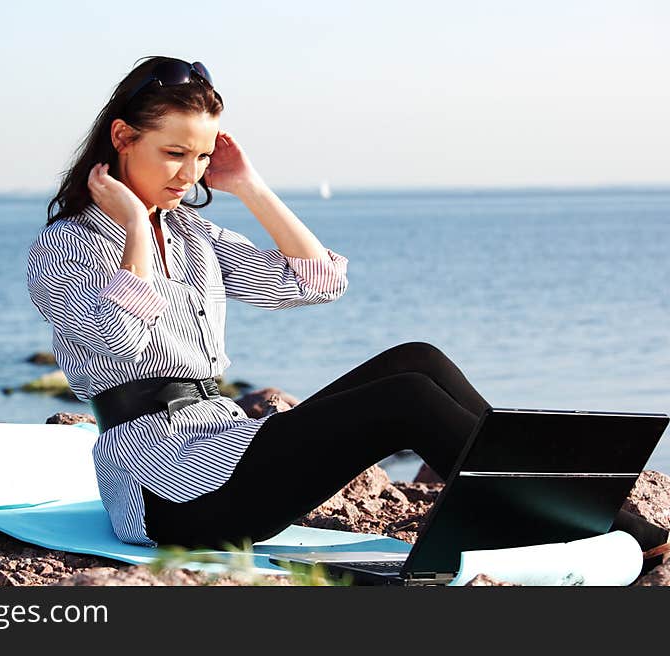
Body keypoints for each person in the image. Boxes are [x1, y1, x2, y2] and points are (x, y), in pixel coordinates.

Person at [26, 56, 492, 550]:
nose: (190, 174)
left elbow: (319, 281)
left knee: (419, 360)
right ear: (122, 138)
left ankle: (547, 484)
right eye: (175, 153)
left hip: (224, 441)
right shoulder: (64, 245)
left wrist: (248, 185)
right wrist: (136, 229)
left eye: (203, 157)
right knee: (407, 399)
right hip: (167, 486)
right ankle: (531, 510)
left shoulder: (191, 233)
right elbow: (120, 343)